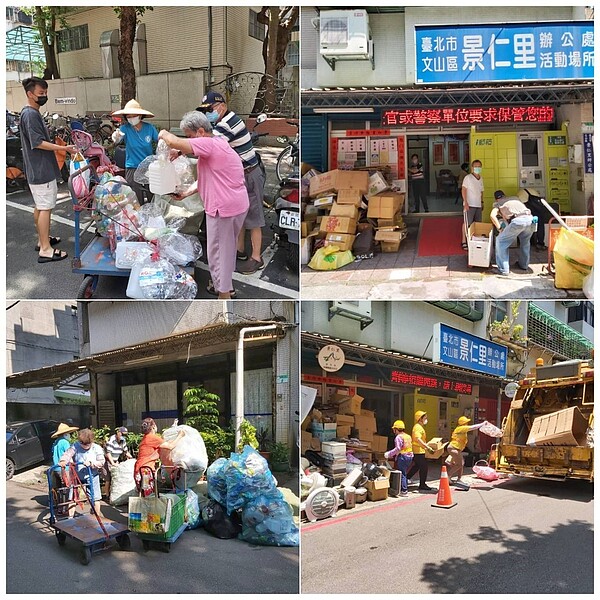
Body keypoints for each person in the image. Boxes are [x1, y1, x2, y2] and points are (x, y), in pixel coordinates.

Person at [158, 112, 249, 299]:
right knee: (226, 249)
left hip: (223, 208)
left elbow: (174, 141)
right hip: (235, 205)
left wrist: (163, 134)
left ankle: (223, 294)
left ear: (200, 131)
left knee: (218, 252)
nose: (190, 141)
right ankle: (225, 285)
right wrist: (185, 193)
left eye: (190, 136)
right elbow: (207, 179)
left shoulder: (209, 144)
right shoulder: (219, 142)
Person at [197, 91, 267, 275]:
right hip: (238, 177)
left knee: (254, 217)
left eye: (210, 109)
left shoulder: (228, 123)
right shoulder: (221, 123)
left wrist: (180, 148)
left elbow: (209, 145)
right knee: (240, 215)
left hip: (250, 175)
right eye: (205, 111)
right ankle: (239, 250)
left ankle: (257, 258)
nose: (208, 114)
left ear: (222, 106)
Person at [20, 77, 78, 264]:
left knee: (40, 206)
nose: (44, 96)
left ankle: (42, 240)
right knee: (45, 207)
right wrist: (63, 149)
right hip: (41, 169)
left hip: (37, 168)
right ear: (30, 94)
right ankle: (45, 249)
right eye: (40, 94)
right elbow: (37, 143)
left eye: (45, 93)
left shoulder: (30, 113)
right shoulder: (30, 115)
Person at [111, 99, 158, 204]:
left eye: (134, 116)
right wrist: (116, 137)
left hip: (148, 167)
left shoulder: (149, 128)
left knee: (152, 193)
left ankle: (153, 217)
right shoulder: (125, 128)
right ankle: (136, 218)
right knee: (135, 197)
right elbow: (117, 139)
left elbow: (160, 140)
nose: (131, 119)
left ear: (140, 116)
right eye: (128, 116)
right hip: (132, 166)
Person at [134, 417, 186, 496]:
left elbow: (164, 445)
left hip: (139, 470)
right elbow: (170, 446)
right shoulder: (153, 438)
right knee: (148, 495)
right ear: (153, 426)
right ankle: (149, 508)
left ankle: (145, 507)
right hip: (146, 471)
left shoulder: (145, 438)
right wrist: (180, 436)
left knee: (143, 493)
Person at [59, 428, 105, 516]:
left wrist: (92, 463)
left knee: (95, 498)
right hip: (77, 475)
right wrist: (63, 461)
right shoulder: (76, 446)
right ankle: (70, 518)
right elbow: (68, 454)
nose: (84, 446)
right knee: (72, 497)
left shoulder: (97, 448)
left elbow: (101, 462)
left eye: (87, 444)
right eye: (82, 443)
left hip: (92, 475)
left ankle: (96, 518)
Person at [490, 190, 535, 277]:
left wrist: (499, 228)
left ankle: (503, 269)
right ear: (505, 195)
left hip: (518, 221)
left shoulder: (498, 204)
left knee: (500, 241)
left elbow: (492, 216)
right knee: (525, 242)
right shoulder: (515, 198)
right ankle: (524, 265)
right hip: (530, 219)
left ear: (496, 199)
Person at [445, 416, 485, 488]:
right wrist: (482, 424)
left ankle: (459, 479)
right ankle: (448, 476)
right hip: (454, 448)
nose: (467, 423)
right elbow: (473, 427)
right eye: (466, 422)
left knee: (461, 464)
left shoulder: (462, 430)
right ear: (464, 423)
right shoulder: (461, 428)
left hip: (456, 449)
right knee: (459, 464)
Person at [50, 423, 78, 513]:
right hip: (64, 468)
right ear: (65, 434)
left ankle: (59, 507)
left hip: (55, 468)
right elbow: (69, 454)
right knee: (66, 488)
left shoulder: (56, 442)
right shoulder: (65, 442)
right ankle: (65, 508)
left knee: (58, 489)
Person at [406, 411, 436, 492]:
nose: (426, 419)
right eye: (425, 418)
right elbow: (418, 439)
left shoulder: (419, 427)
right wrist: (427, 447)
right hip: (418, 451)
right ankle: (422, 484)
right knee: (424, 467)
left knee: (417, 466)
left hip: (420, 450)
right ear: (420, 419)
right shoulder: (418, 427)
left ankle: (405, 479)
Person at [383, 420, 414, 496]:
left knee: (402, 473)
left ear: (396, 429)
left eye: (394, 429)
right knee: (405, 473)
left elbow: (398, 448)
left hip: (403, 457)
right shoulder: (408, 436)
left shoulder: (398, 437)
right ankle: (404, 486)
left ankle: (404, 490)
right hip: (410, 457)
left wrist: (389, 454)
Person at [461, 159, 484, 250]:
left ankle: (475, 241)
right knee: (467, 223)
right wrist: (465, 202)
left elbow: (481, 192)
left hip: (478, 205)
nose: (477, 168)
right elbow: (463, 190)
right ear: (472, 167)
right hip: (469, 204)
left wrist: (482, 202)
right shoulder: (468, 178)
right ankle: (464, 241)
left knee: (477, 224)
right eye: (475, 166)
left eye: (479, 166)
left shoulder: (481, 178)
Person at [103, 426, 133, 497]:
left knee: (116, 478)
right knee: (108, 479)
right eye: (122, 434)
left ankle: (113, 494)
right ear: (118, 433)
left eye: (125, 435)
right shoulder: (111, 440)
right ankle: (106, 495)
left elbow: (126, 451)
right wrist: (112, 463)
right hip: (107, 460)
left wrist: (132, 458)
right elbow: (108, 453)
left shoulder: (123, 441)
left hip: (115, 460)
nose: (123, 436)